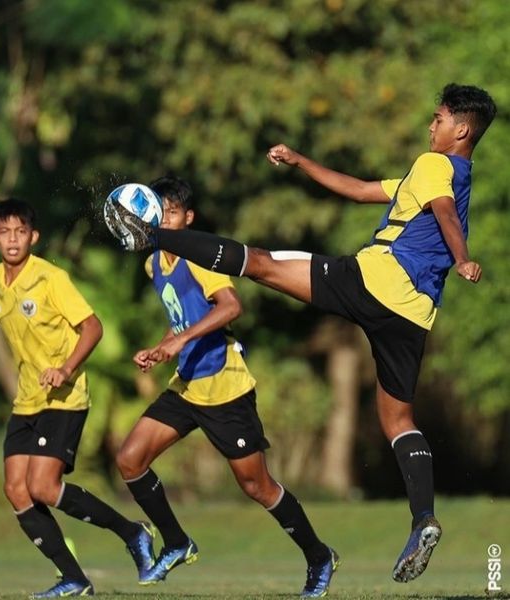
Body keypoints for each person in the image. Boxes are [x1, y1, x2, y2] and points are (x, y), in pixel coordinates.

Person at [108, 84, 497, 584]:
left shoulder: (434, 166)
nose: (431, 125)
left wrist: (463, 257)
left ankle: (154, 233)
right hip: (414, 314)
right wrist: (301, 161)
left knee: (262, 265)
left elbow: (442, 211)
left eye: (439, 118)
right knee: (398, 419)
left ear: (460, 129)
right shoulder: (452, 174)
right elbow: (359, 190)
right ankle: (422, 518)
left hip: (374, 281)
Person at [0, 198, 156, 598]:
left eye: (21, 232)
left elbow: (93, 327)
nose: (13, 239)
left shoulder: (51, 278)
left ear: (33, 236)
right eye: (5, 232)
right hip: (27, 401)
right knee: (16, 490)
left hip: (65, 397)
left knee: (43, 487)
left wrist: (66, 369)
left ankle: (132, 532)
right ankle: (74, 578)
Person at [115, 176, 338, 598]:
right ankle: (177, 542)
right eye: (160, 212)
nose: (167, 219)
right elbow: (181, 318)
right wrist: (161, 346)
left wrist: (181, 340)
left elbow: (232, 305)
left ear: (189, 218)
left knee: (258, 486)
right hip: (187, 384)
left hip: (225, 388)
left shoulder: (197, 256)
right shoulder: (152, 264)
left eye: (175, 212)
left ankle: (319, 556)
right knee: (130, 459)